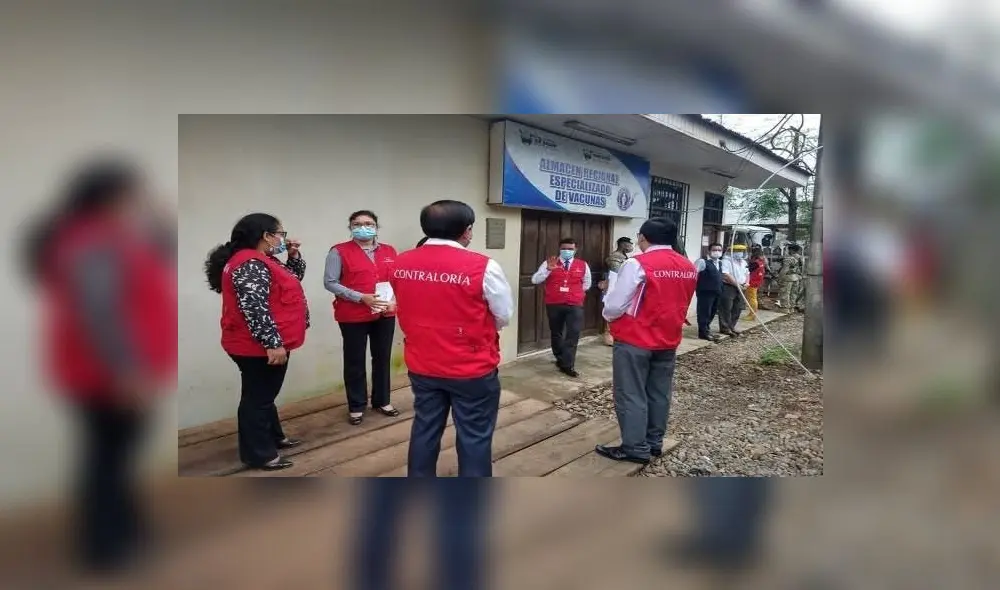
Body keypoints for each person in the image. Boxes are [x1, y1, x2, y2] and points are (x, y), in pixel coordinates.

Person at [25, 159, 176, 571]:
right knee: (107, 458)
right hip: (106, 375)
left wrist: (158, 218)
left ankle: (125, 528)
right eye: (133, 193)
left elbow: (162, 250)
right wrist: (126, 372)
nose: (138, 201)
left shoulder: (111, 237)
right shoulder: (91, 241)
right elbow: (100, 314)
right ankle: (104, 547)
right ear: (109, 197)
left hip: (110, 373)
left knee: (117, 455)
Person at [390, 200, 513, 477]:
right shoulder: (483, 266)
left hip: (422, 363)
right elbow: (503, 315)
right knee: (474, 435)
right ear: (467, 231)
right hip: (471, 367)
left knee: (425, 427)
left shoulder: (400, 262)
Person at [206, 213, 309, 471]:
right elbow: (254, 307)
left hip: (256, 343)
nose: (282, 239)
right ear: (266, 236)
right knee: (258, 399)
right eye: (280, 234)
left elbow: (290, 279)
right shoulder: (250, 264)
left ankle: (274, 436)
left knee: (260, 393)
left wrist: (293, 257)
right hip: (258, 347)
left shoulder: (262, 259)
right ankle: (259, 454)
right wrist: (272, 343)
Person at [596, 218, 696, 464]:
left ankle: (635, 448)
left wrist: (607, 315)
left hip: (635, 339)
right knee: (659, 393)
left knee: (630, 393)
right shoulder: (687, 265)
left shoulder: (637, 264)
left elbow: (615, 304)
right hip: (668, 339)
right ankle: (653, 443)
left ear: (643, 238)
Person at [324, 210, 400, 425]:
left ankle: (382, 400)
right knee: (355, 360)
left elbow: (396, 279)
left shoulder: (389, 251)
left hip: (385, 312)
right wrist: (360, 297)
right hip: (352, 314)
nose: (363, 227)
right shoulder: (338, 252)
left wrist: (396, 300)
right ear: (350, 228)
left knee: (382, 357)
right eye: (357, 224)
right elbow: (330, 282)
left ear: (376, 227)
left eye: (368, 223)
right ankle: (356, 405)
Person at [531, 237, 592, 377]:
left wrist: (575, 293)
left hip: (574, 304)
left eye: (570, 249)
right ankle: (560, 357)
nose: (567, 251)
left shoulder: (582, 265)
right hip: (554, 303)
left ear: (575, 250)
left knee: (573, 333)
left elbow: (587, 283)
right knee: (556, 332)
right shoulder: (549, 263)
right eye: (564, 249)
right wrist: (547, 270)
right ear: (559, 249)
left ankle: (568, 364)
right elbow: (535, 280)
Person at [599, 237, 634, 345]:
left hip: (619, 287)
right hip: (611, 287)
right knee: (610, 310)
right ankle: (608, 335)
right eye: (628, 244)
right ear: (622, 245)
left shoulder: (624, 256)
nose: (630, 247)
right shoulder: (615, 257)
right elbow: (617, 272)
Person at [693, 243, 725, 342]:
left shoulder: (720, 263)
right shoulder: (702, 262)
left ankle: (707, 329)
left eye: (719, 250)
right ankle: (703, 332)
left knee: (712, 312)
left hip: (717, 291)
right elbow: (694, 274)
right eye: (714, 250)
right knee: (704, 312)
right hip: (705, 292)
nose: (717, 252)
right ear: (709, 251)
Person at [718, 244, 749, 337]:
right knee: (726, 307)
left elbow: (747, 273)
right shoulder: (726, 261)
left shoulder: (744, 262)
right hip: (729, 287)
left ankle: (732, 326)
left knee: (738, 307)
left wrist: (747, 282)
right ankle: (725, 327)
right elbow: (726, 275)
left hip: (742, 287)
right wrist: (737, 284)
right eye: (736, 250)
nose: (739, 253)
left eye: (741, 251)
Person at [777, 243, 804, 312]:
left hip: (788, 278)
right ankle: (792, 308)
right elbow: (802, 269)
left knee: (785, 293)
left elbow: (785, 269)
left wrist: (780, 277)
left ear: (791, 250)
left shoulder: (789, 258)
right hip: (797, 277)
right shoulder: (801, 258)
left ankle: (785, 308)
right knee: (794, 293)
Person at [745, 245, 768, 321]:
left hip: (752, 282)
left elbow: (747, 270)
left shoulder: (755, 263)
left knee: (752, 299)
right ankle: (751, 314)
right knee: (752, 298)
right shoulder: (761, 262)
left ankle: (752, 315)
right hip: (756, 282)